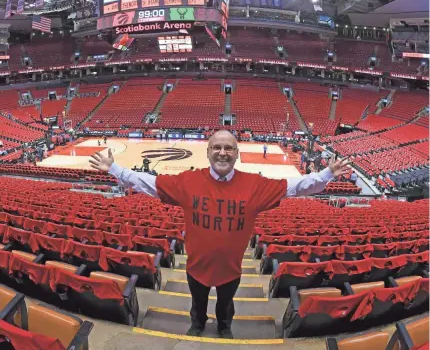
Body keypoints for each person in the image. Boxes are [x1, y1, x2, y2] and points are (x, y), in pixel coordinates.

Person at [89, 130, 350, 339]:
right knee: (197, 303)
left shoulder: (255, 185)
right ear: (208, 152)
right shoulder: (188, 181)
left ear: (237, 153)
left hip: (231, 271)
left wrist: (328, 173)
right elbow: (148, 184)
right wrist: (115, 169)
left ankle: (225, 326)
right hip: (195, 268)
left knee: (226, 304)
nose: (222, 153)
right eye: (217, 147)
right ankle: (198, 324)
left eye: (228, 148)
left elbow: (297, 187)